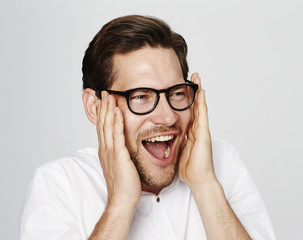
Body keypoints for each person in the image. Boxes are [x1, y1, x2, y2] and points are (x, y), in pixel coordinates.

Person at [20, 15, 276, 239]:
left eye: (176, 93)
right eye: (141, 96)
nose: (168, 117)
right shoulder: (59, 183)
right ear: (95, 108)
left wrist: (205, 185)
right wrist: (120, 203)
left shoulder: (222, 162)